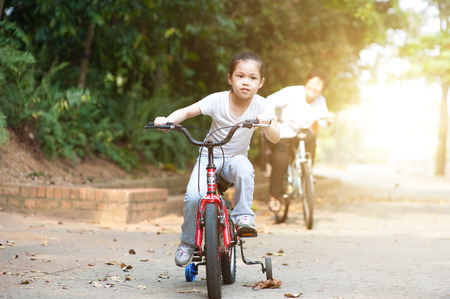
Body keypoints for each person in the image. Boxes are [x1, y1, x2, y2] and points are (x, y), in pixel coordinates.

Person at [153, 52, 280, 267]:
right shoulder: (217, 100)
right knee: (194, 197)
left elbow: (275, 138)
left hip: (235, 159)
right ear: (230, 78)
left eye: (252, 78)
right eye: (240, 76)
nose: (246, 82)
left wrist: (267, 123)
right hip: (209, 156)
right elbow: (187, 111)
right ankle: (187, 242)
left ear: (261, 83)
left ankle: (243, 217)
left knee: (244, 168)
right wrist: (167, 121)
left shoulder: (262, 105)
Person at [266, 69, 330, 212]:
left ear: (322, 89)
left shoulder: (321, 101)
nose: (314, 87)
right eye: (312, 83)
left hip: (302, 131)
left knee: (312, 138)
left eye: (319, 85)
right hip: (285, 129)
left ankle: (308, 173)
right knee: (281, 161)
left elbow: (323, 121)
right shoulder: (292, 92)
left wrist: (328, 120)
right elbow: (270, 100)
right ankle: (274, 197)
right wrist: (271, 116)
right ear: (307, 82)